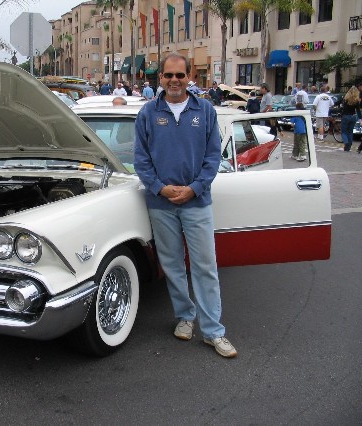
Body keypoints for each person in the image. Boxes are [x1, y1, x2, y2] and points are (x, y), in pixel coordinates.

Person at [133, 52, 237, 358]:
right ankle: (185, 317)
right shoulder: (148, 113)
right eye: (169, 75)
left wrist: (193, 189)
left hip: (197, 202)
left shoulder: (204, 111)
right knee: (173, 266)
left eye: (180, 75)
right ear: (160, 78)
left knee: (205, 266)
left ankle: (214, 331)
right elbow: (140, 159)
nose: (175, 81)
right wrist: (160, 188)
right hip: (160, 203)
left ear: (189, 77)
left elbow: (213, 157)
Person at [340, 86, 362, 152]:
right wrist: (360, 118)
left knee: (343, 131)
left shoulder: (345, 99)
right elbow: (358, 110)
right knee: (350, 132)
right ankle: (349, 145)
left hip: (346, 116)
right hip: (353, 116)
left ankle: (346, 142)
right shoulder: (356, 101)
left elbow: (342, 108)